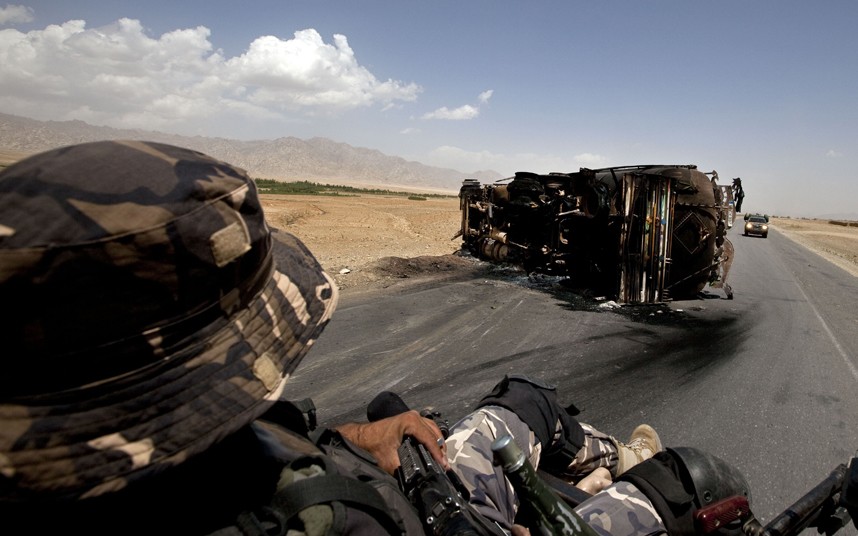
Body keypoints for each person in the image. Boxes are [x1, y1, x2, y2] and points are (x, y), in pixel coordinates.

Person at [0, 141, 743, 536]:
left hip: (411, 470)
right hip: (446, 504)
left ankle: (597, 457)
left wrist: (360, 436)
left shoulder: (142, 469)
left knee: (520, 402)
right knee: (692, 484)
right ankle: (618, 469)